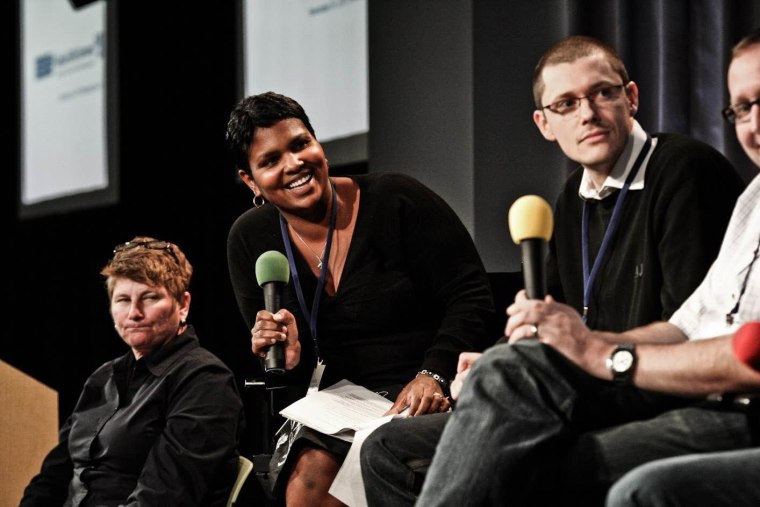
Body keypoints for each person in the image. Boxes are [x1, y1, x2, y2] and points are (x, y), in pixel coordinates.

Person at [359, 34, 744, 506]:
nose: (588, 113)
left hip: (648, 382)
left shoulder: (684, 169)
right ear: (544, 123)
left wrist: (564, 353)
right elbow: (555, 314)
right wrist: (493, 360)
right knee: (387, 448)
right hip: (587, 379)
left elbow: (690, 330)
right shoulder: (571, 201)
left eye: (603, 93)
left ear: (632, 98)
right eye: (566, 103)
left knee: (524, 411)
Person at [224, 91, 495, 506]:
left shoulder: (398, 199)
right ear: (250, 180)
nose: (294, 164)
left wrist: (434, 373)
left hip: (428, 386)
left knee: (381, 458)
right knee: (309, 483)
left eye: (300, 144)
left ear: (318, 143)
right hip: (340, 403)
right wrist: (287, 357)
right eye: (270, 160)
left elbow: (471, 296)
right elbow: (286, 374)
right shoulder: (250, 238)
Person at [605, 29, 760, 507]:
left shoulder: (684, 170)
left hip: (740, 413)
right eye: (741, 109)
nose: (754, 125)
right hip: (712, 406)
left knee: (638, 490)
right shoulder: (752, 199)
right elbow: (685, 326)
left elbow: (745, 359)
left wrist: (612, 360)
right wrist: (574, 342)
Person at [20, 236, 245, 506]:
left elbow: (164, 498)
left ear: (183, 304)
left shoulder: (205, 380)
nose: (134, 313)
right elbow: (52, 478)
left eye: (149, 298)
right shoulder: (102, 377)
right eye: (123, 300)